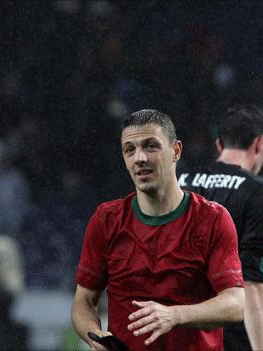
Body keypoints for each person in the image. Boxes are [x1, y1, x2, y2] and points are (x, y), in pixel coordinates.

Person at [72, 109, 245, 350]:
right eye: (129, 149)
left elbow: (235, 304)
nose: (139, 158)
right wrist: (95, 336)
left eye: (150, 146)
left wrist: (175, 315)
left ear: (176, 151)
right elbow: (83, 302)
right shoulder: (106, 221)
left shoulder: (212, 219)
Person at [178, 105, 263, 350]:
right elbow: (252, 280)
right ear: (259, 143)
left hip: (179, 324)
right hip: (231, 327)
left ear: (219, 145)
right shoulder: (261, 191)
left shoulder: (179, 181)